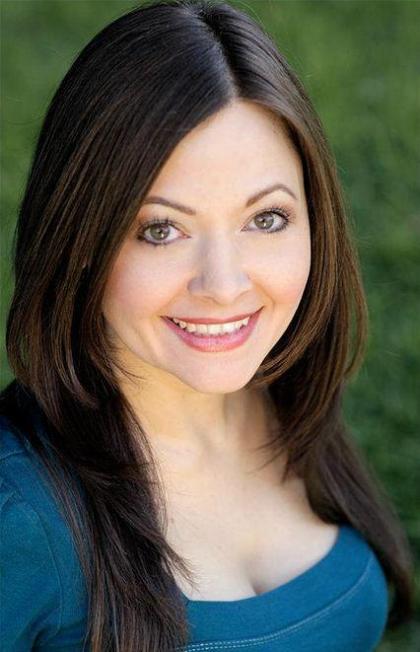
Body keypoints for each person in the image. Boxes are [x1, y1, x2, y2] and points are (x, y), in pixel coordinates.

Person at [0, 0, 415, 650]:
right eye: (161, 230)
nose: (224, 287)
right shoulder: (16, 513)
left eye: (266, 219)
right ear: (77, 238)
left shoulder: (288, 395)